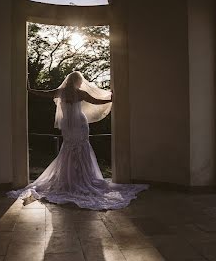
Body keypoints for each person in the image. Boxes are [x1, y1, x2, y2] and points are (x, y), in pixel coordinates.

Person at [8, 71, 148, 210]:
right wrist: (111, 98)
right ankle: (81, 178)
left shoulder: (60, 91)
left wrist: (30, 89)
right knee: (81, 147)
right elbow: (96, 101)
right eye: (80, 81)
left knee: (69, 147)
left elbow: (43, 93)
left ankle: (69, 179)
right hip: (79, 123)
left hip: (68, 125)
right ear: (77, 81)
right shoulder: (81, 93)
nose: (82, 83)